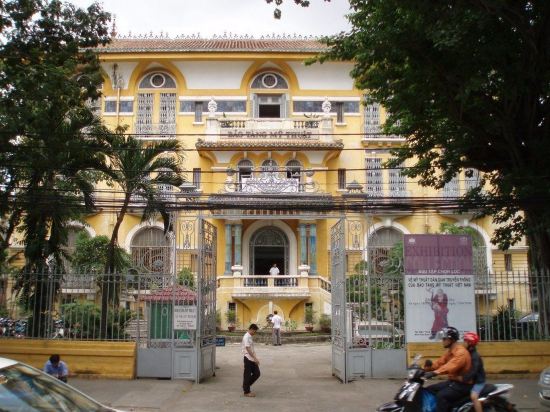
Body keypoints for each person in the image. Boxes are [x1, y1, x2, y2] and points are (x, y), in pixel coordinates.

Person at [423, 326, 472, 412]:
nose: (442, 341)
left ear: (451, 340)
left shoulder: (461, 352)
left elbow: (451, 365)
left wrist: (435, 372)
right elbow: (439, 363)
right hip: (453, 382)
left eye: (444, 339)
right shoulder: (450, 352)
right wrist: (426, 369)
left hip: (463, 385)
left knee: (441, 396)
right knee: (430, 389)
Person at [462, 331, 486, 412]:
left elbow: (473, 371)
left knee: (473, 396)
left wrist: (464, 378)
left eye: (465, 341)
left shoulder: (475, 356)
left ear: (470, 343)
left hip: (478, 381)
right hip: (472, 380)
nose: (463, 343)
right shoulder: (468, 353)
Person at [242, 323, 260, 397]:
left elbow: (252, 349)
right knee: (247, 375)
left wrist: (255, 358)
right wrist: (255, 358)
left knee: (257, 373)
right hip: (248, 358)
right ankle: (246, 391)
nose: (254, 333)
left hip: (251, 358)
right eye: (254, 331)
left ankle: (245, 385)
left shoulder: (250, 336)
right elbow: (248, 348)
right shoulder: (246, 337)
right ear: (251, 329)